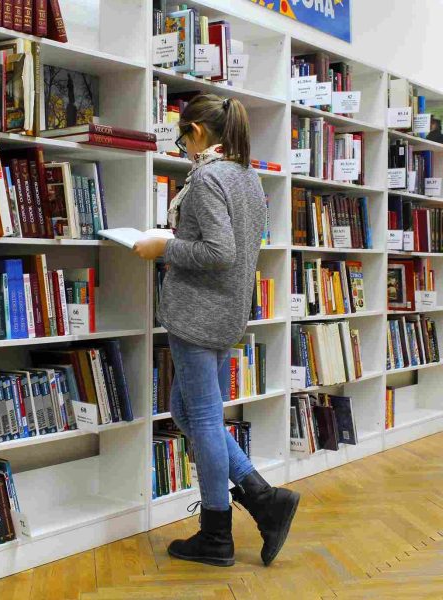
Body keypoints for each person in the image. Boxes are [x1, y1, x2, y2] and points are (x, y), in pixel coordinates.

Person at [133, 94, 300, 568]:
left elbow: (219, 252)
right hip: (226, 312)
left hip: (197, 314)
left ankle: (216, 533)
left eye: (183, 137)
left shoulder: (207, 178)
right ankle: (263, 497)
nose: (183, 147)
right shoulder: (247, 176)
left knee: (202, 418)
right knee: (184, 410)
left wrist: (163, 247)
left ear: (199, 134)